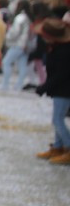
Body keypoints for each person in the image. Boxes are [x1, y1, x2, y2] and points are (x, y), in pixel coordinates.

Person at [34, 17, 70, 164]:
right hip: (60, 89)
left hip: (64, 90)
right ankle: (58, 146)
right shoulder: (58, 48)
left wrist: (44, 87)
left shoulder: (64, 51)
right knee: (57, 118)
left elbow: (61, 75)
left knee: (57, 119)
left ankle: (68, 147)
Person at [2, 0, 33, 91]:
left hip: (18, 44)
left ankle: (5, 84)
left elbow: (15, 32)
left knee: (6, 62)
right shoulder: (28, 17)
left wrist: (7, 37)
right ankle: (19, 84)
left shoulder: (20, 17)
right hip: (25, 45)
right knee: (22, 65)